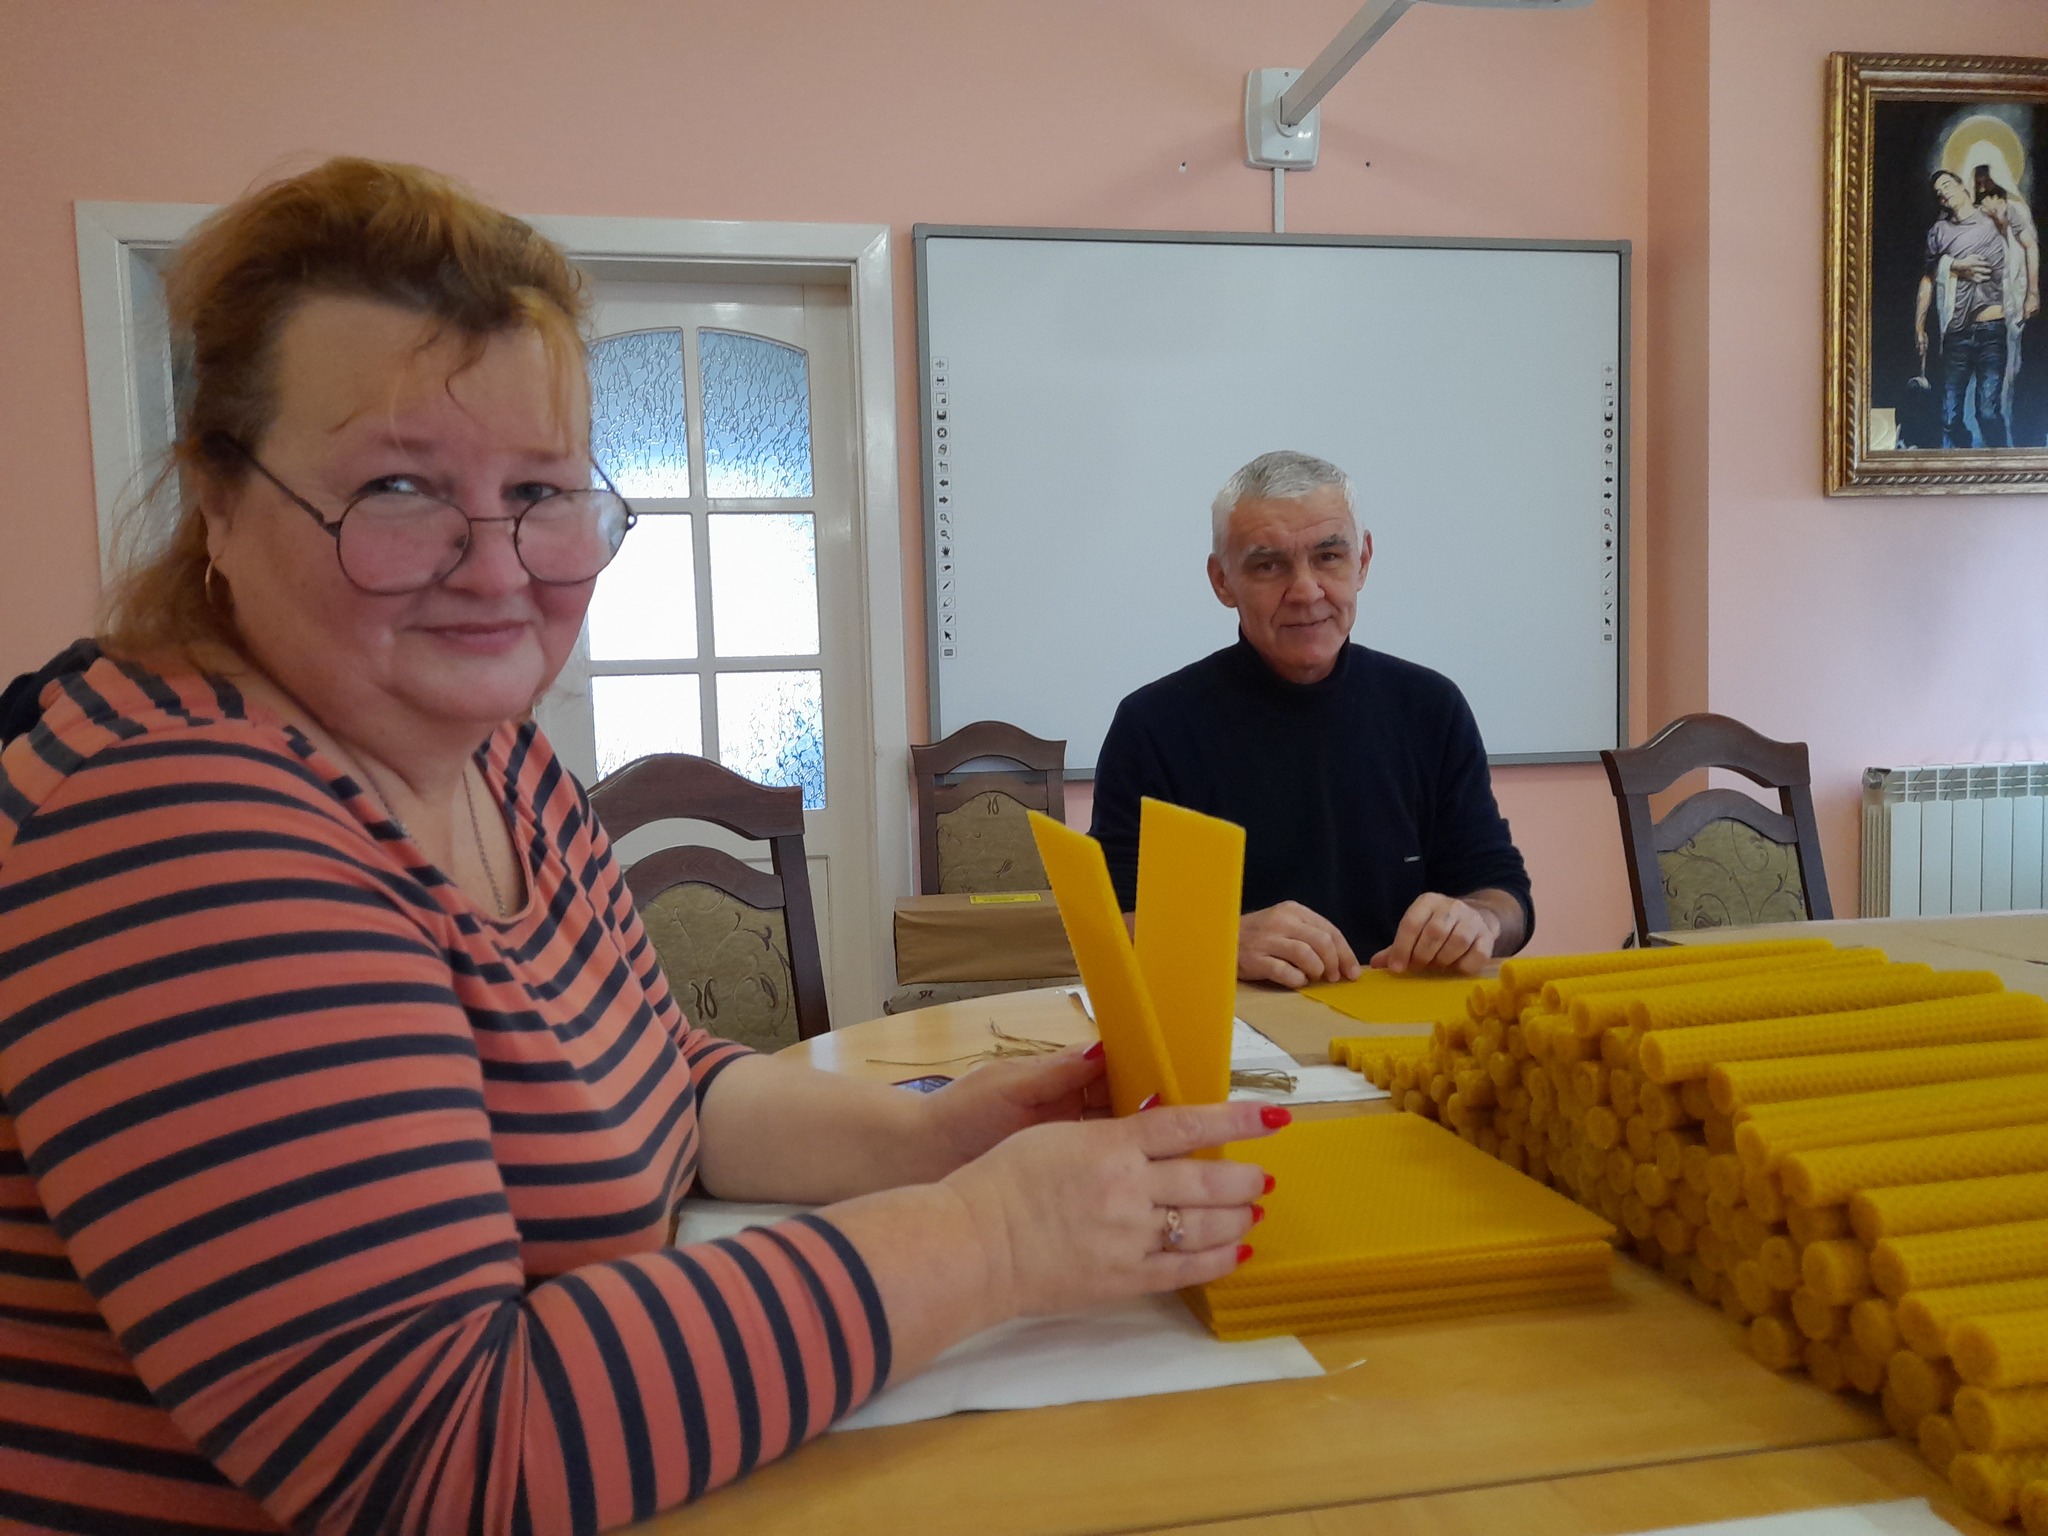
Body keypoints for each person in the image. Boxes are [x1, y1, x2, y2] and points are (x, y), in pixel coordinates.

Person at [0, 159, 1282, 1535]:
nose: (498, 568)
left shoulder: (499, 760)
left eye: (541, 491)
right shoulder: (174, 820)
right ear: (218, 495)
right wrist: (993, 1237)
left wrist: (938, 1139)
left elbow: (661, 1086)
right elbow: (438, 1455)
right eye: (396, 488)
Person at [1090, 451, 1532, 990]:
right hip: (1235, 1022)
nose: (1305, 591)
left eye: (1328, 556)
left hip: (1398, 1016)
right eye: (1268, 565)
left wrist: (1478, 921)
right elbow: (1106, 922)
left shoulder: (1431, 707)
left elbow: (1502, 892)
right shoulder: (1152, 725)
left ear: (1362, 562)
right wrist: (1220, 939)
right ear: (1222, 581)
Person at [1917, 168, 2012, 449]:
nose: (1944, 193)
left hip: (1991, 329)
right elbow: (1928, 279)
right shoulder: (1939, 232)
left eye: (1947, 185)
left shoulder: (1992, 218)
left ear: (1962, 186)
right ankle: (1963, 460)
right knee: (1949, 417)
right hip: (1956, 334)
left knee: (1987, 413)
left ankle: (2003, 468)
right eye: (1939, 193)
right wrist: (1919, 326)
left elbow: (2021, 244)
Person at [1972, 168, 2042, 445]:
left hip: (2010, 300)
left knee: (2008, 373)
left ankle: (2008, 442)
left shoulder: (2014, 208)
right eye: (1977, 182)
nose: (1981, 188)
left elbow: (2029, 247)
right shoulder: (1969, 212)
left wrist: (2033, 293)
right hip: (1979, 305)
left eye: (1986, 180)